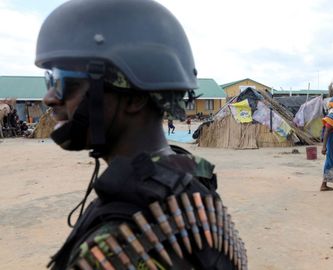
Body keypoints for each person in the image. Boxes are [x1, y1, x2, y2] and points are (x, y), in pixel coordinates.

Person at [36, 0, 246, 269]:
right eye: (48, 80)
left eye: (63, 82)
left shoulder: (116, 240)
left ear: (134, 98)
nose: (49, 98)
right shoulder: (186, 178)